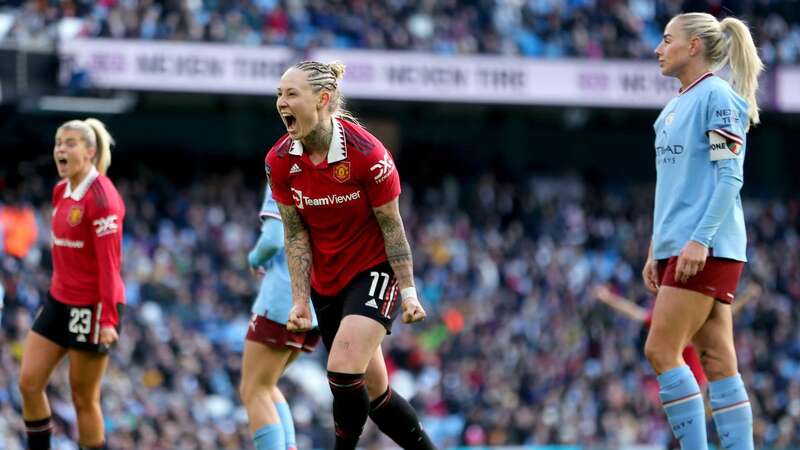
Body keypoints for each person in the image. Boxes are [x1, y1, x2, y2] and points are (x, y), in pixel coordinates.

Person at [265, 60, 437, 450]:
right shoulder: (279, 162)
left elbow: (392, 227)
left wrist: (408, 292)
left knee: (342, 369)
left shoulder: (368, 155)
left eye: (292, 94)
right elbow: (294, 233)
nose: (281, 102)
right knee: (377, 396)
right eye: (279, 94)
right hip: (327, 282)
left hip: (373, 270)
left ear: (323, 99)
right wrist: (298, 301)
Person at [644, 12, 763, 450]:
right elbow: (673, 189)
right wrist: (654, 248)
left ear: (693, 46)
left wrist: (699, 239)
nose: (658, 49)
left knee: (660, 350)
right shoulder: (673, 107)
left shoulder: (718, 98)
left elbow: (729, 177)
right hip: (683, 245)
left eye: (666, 39)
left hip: (706, 246)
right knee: (716, 359)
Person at [18, 119, 126, 450]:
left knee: (83, 398)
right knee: (28, 383)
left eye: (70, 143)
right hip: (58, 301)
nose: (60, 149)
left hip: (92, 308)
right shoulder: (60, 190)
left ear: (90, 152)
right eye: (58, 143)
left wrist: (108, 319)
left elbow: (109, 266)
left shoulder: (103, 199)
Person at [240, 184, 320, 450]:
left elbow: (274, 238)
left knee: (253, 390)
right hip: (317, 300)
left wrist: (253, 259)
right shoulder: (332, 171)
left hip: (283, 299)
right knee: (266, 383)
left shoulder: (283, 167)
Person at [593, 283, 762, 390]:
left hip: (700, 385)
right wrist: (608, 299)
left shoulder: (695, 321)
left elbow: (727, 314)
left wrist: (747, 297)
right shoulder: (667, 322)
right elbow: (633, 312)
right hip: (683, 386)